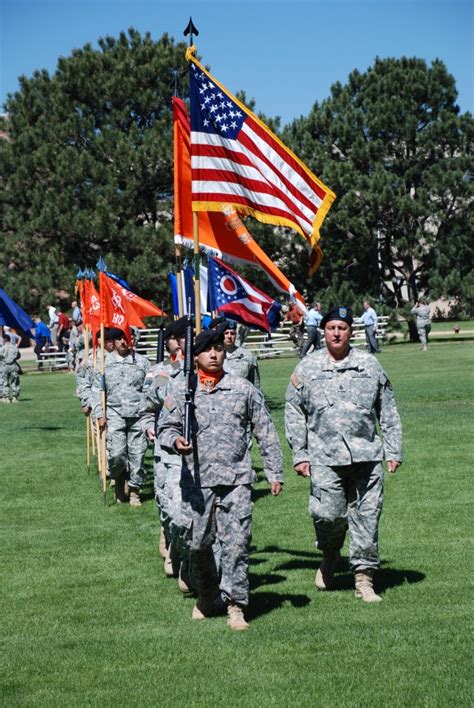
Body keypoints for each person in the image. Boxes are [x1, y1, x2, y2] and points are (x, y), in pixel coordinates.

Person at [158, 326, 283, 630]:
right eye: (207, 350)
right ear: (195, 355)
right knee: (197, 545)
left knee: (237, 544)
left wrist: (274, 471)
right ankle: (208, 593)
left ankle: (236, 605)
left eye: (219, 349)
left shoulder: (242, 389)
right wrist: (176, 441)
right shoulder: (182, 392)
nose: (214, 354)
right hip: (197, 483)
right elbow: (165, 428)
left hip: (236, 480)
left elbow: (265, 431)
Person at [285, 306, 402, 603]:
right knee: (328, 516)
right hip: (324, 456)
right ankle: (330, 553)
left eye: (343, 328)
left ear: (351, 332)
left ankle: (364, 579)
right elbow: (293, 411)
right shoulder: (307, 367)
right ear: (323, 332)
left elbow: (387, 409)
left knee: (367, 517)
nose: (337, 333)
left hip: (366, 455)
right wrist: (300, 453)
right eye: (331, 328)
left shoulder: (369, 364)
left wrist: (393, 448)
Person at [92, 327, 150, 506]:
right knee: (117, 455)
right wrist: (99, 414)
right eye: (119, 339)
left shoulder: (143, 362)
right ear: (113, 342)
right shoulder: (104, 363)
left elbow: (153, 385)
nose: (123, 342)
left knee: (138, 456)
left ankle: (134, 491)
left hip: (138, 414)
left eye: (127, 338)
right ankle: (118, 482)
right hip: (114, 414)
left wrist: (151, 410)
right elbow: (97, 391)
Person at [217, 319, 260, 388]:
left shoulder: (247, 356)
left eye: (232, 333)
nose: (229, 336)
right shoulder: (215, 356)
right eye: (226, 333)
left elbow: (256, 385)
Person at [0, 334, 21, 402]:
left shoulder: (2, 348)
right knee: (15, 382)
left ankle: (6, 398)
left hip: (5, 366)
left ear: (4, 340)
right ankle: (15, 397)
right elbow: (18, 356)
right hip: (13, 366)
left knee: (4, 382)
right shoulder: (15, 347)